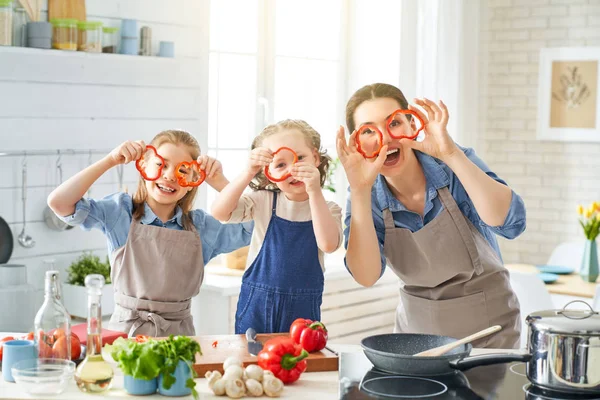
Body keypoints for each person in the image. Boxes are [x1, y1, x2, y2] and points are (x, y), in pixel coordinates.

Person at [337, 83, 526, 348]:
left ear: (412, 124)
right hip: (415, 343)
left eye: (394, 123)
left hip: (490, 336)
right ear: (356, 144)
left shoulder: (451, 162)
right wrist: (359, 190)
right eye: (369, 130)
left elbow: (511, 223)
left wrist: (451, 154)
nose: (386, 138)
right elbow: (366, 275)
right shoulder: (364, 194)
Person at [47, 130, 253, 337]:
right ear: (143, 165)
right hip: (124, 338)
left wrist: (219, 182)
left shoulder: (201, 227)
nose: (170, 175)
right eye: (161, 164)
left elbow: (258, 225)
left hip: (179, 340)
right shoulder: (120, 213)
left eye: (183, 171)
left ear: (194, 181)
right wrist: (110, 161)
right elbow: (59, 202)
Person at [211, 120, 343, 334]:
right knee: (251, 362)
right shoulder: (263, 201)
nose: (292, 169)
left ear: (316, 158)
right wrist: (248, 172)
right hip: (256, 307)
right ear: (268, 172)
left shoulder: (328, 209)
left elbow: (328, 244)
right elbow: (220, 211)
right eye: (280, 164)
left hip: (303, 313)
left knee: (299, 364)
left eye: (300, 158)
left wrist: (315, 191)